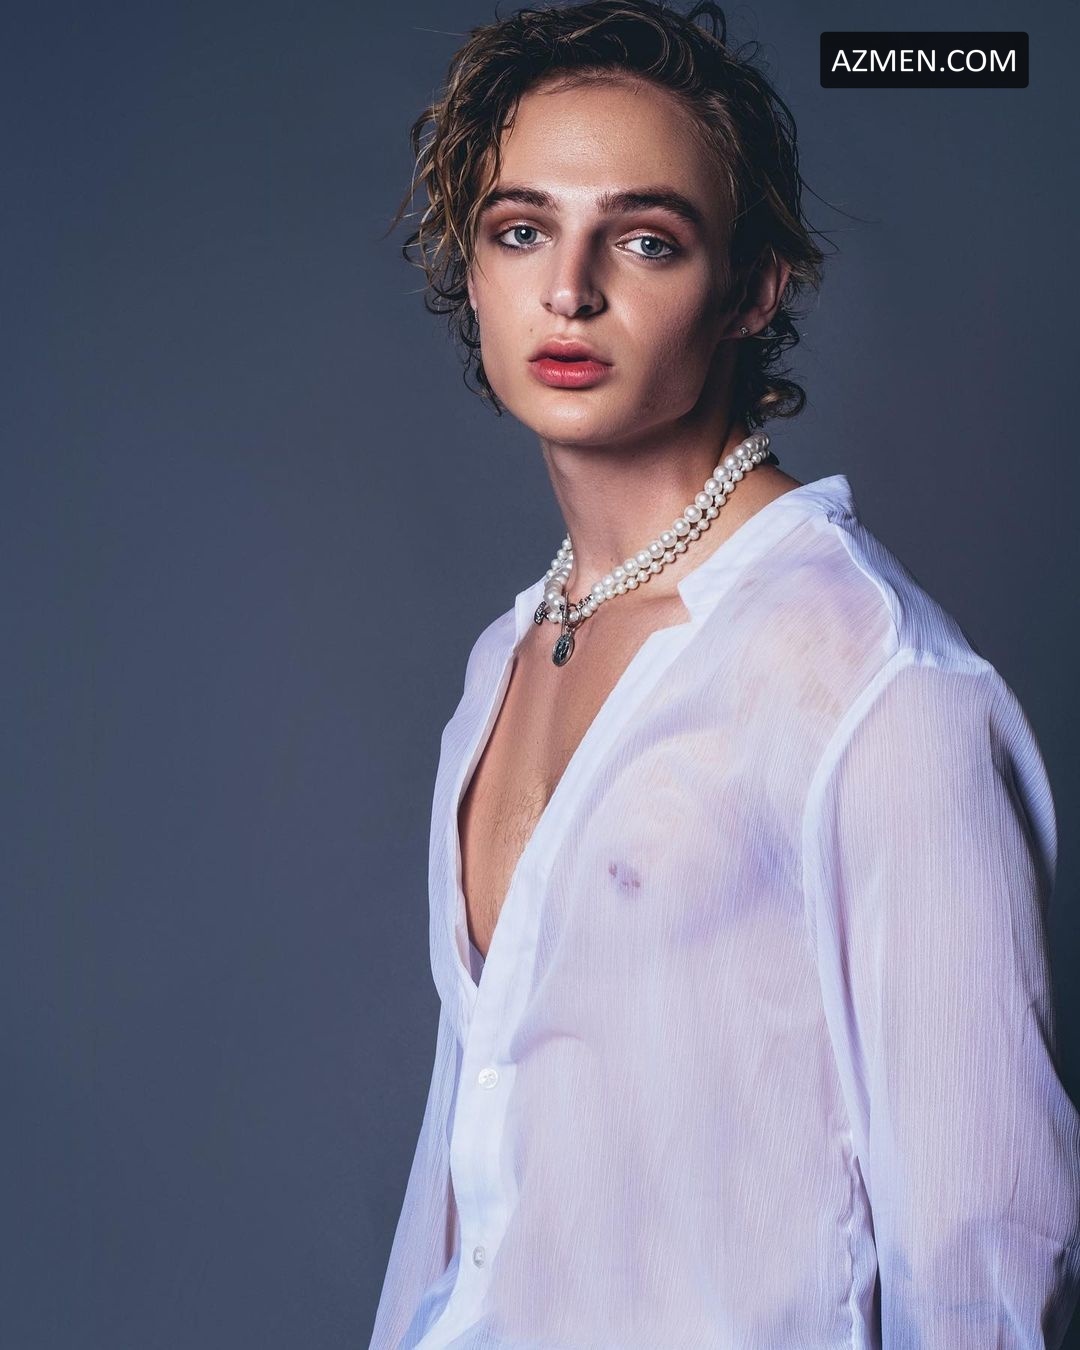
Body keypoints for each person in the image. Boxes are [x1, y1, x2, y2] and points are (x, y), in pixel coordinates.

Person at [370, 2, 1080, 1345]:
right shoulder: (504, 659)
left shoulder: (874, 683)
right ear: (473, 267)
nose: (570, 289)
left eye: (646, 239)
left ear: (755, 287)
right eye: (521, 230)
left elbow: (986, 1253)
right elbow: (471, 1177)